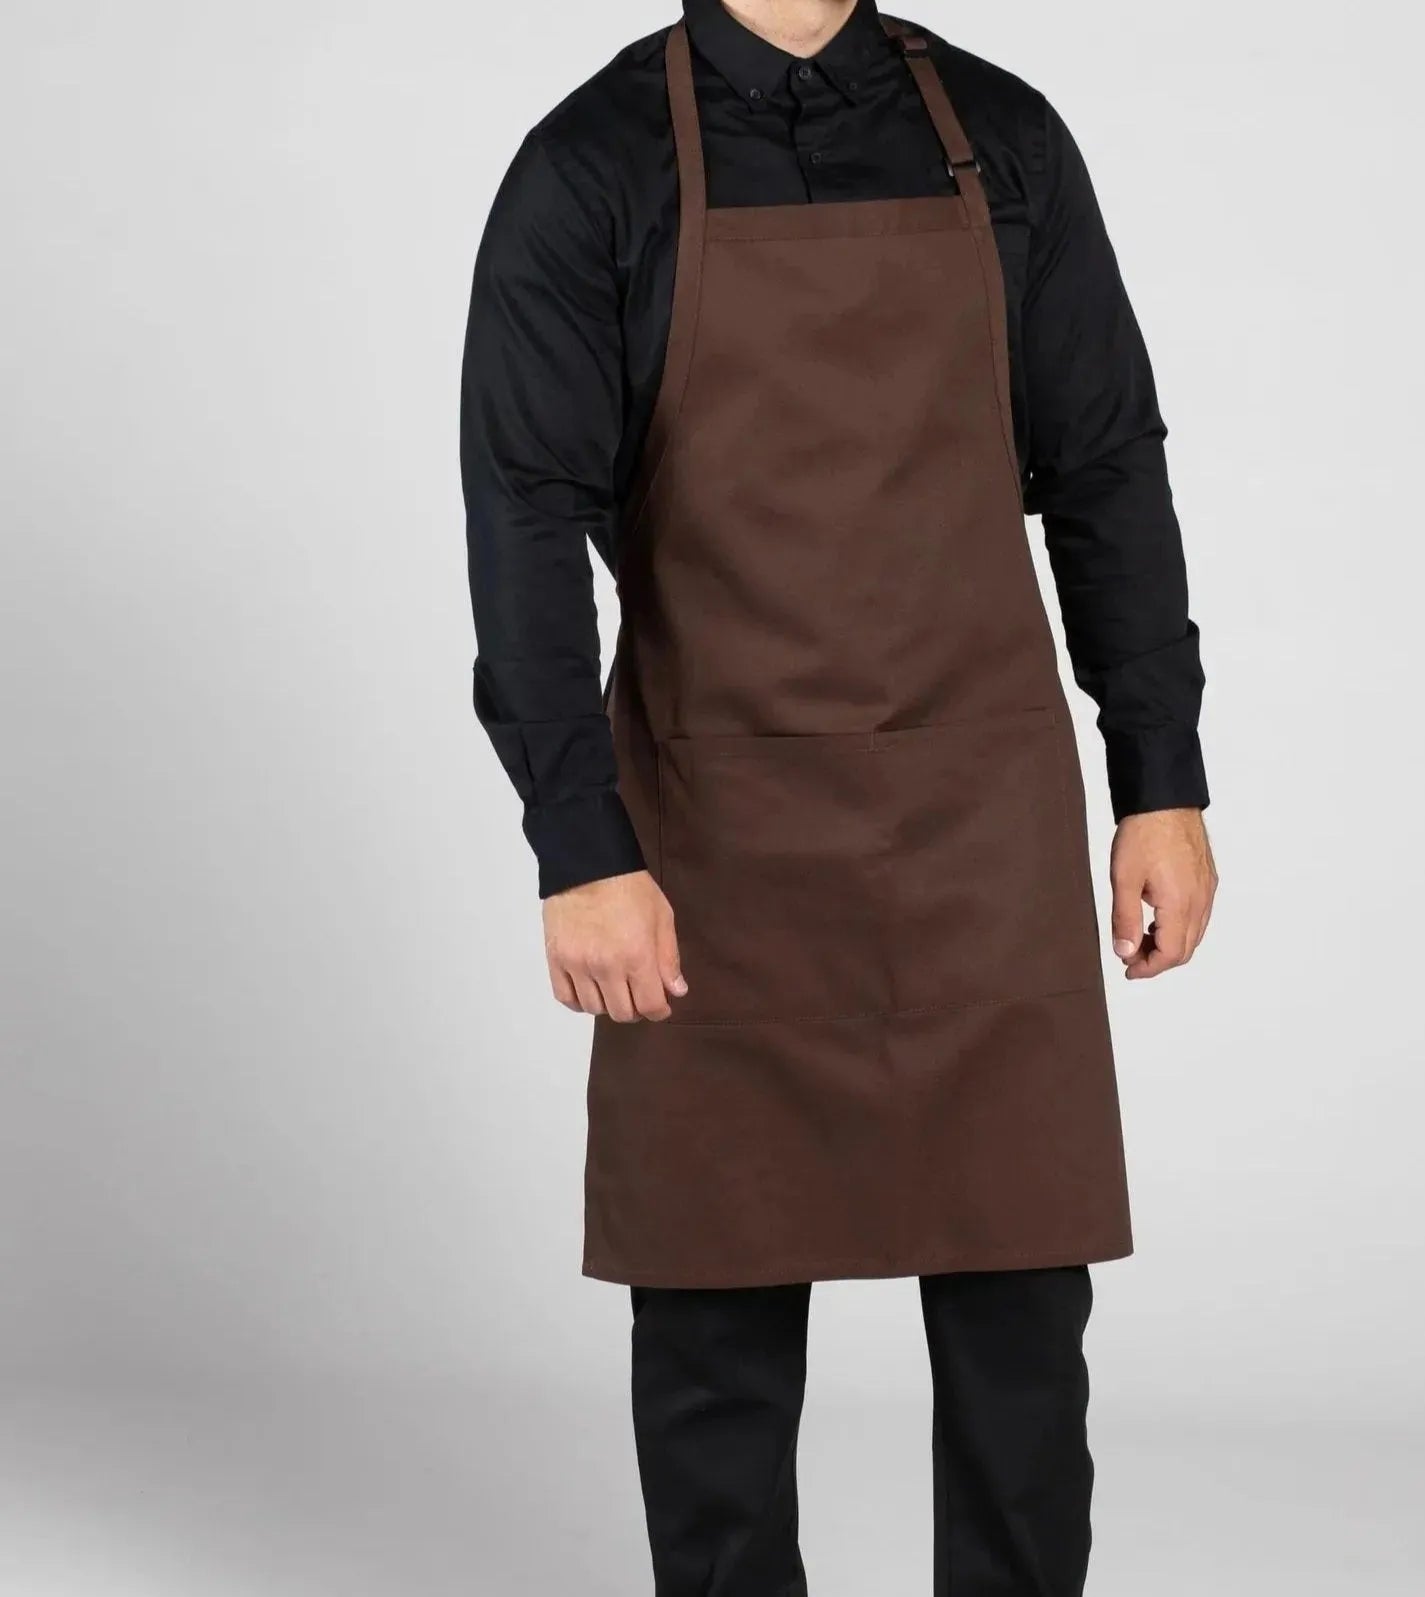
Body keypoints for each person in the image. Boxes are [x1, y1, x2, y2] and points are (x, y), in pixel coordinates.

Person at [460, 1, 1217, 1590]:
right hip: (709, 826)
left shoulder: (1003, 139)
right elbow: (522, 512)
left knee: (1022, 1323)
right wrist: (579, 843)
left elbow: (1103, 459)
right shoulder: (592, 164)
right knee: (712, 1323)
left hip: (979, 814)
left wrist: (1160, 776)